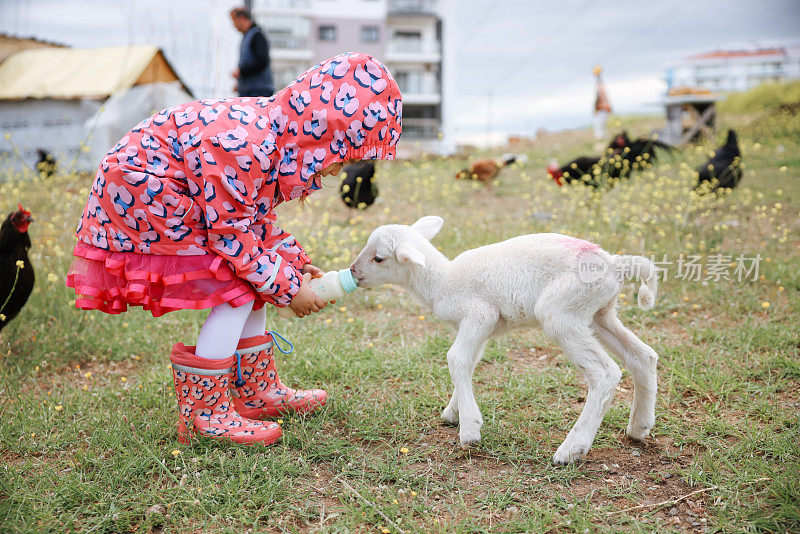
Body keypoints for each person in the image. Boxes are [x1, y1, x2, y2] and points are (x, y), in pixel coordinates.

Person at [66, 52, 403, 445]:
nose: (338, 170)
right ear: (322, 133)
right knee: (235, 284)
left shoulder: (274, 137)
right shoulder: (249, 144)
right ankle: (204, 414)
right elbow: (232, 236)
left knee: (249, 278)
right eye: (342, 156)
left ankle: (254, 392)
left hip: (165, 192)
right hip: (142, 192)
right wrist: (289, 290)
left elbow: (252, 220)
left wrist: (293, 265)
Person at [230, 6, 275, 97]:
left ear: (241, 18)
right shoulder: (247, 37)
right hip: (249, 91)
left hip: (259, 92)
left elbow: (261, 61)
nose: (234, 25)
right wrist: (241, 85)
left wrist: (241, 71)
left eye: (234, 21)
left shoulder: (257, 35)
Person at [592, 65, 612, 140]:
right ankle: (600, 137)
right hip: (601, 108)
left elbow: (602, 96)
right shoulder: (599, 84)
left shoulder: (600, 86)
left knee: (599, 125)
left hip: (602, 109)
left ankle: (601, 138)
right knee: (599, 125)